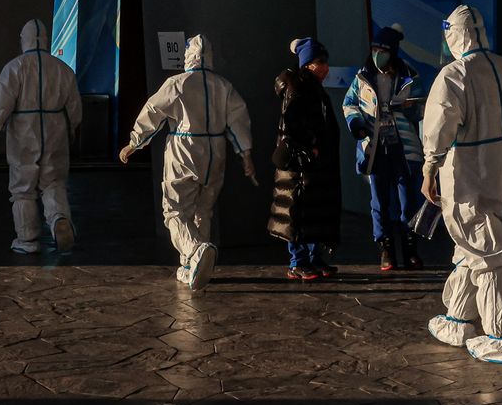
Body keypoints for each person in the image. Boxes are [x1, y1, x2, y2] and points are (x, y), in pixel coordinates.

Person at [421, 5, 502, 364]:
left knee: (484, 248)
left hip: (467, 172)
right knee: (473, 245)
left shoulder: (454, 74)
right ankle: (458, 318)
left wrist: (430, 166)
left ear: (454, 35)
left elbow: (439, 125)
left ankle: (501, 335)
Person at [119, 34, 255, 290]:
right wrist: (245, 153)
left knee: (175, 210)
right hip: (216, 151)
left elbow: (153, 111)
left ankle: (195, 250)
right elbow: (238, 120)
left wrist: (134, 142)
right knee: (203, 210)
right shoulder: (223, 86)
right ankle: (192, 267)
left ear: (188, 56)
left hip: (185, 149)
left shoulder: (178, 83)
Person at [0, 18, 84, 255]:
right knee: (53, 182)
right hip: (55, 128)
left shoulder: (14, 68)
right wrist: (73, 130)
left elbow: (2, 103)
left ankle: (27, 239)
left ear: (24, 40)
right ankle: (59, 218)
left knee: (22, 187)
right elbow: (74, 107)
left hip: (23, 131)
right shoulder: (62, 69)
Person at [343, 26, 426, 271]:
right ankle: (385, 248)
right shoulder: (362, 77)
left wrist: (409, 108)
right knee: (379, 201)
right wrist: (357, 125)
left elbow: (422, 109)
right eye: (375, 49)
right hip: (375, 147)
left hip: (403, 147)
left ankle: (410, 248)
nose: (378, 53)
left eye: (383, 50)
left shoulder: (410, 76)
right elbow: (349, 104)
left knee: (408, 200)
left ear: (393, 53)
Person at [268, 37, 344, 280]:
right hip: (300, 166)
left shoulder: (316, 90)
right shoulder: (299, 88)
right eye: (319, 62)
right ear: (307, 64)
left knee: (314, 212)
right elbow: (291, 125)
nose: (325, 68)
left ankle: (315, 258)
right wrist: (307, 149)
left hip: (315, 165)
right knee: (297, 212)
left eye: (325, 62)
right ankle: (297, 261)